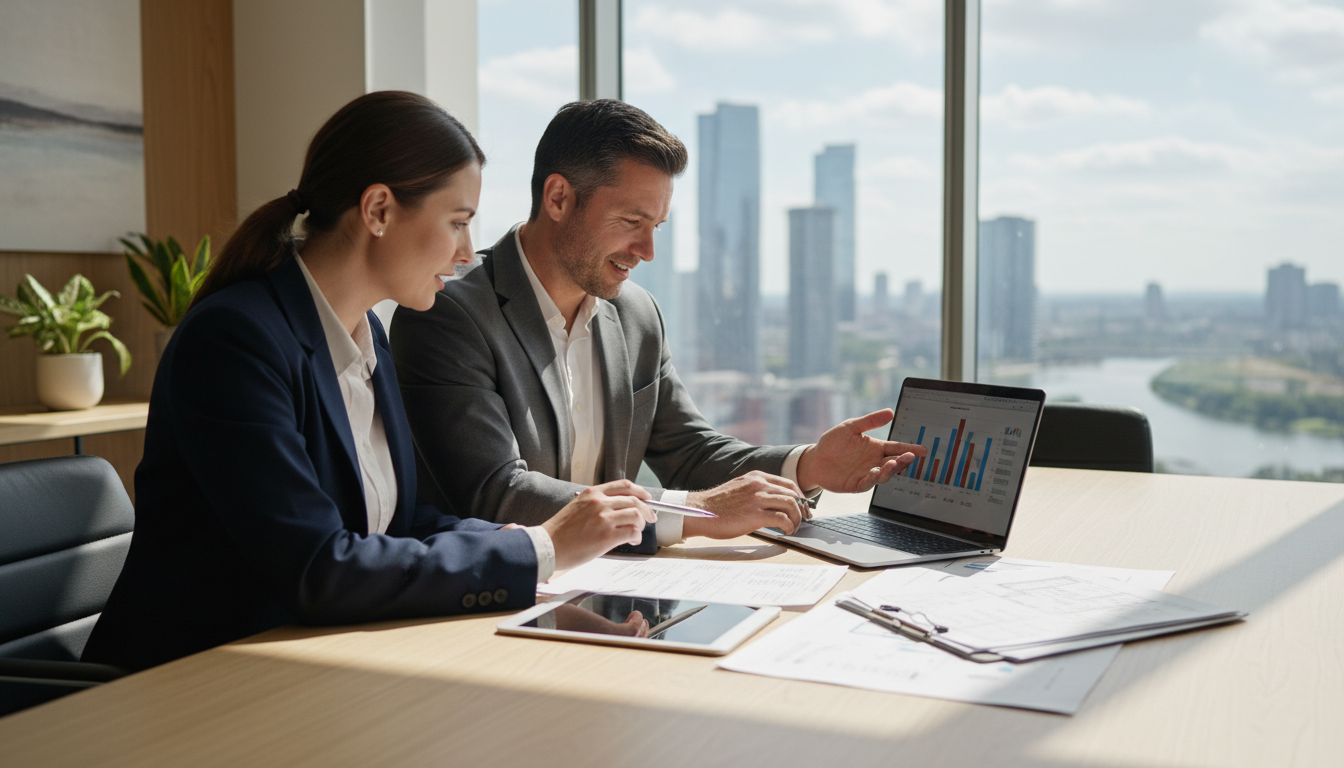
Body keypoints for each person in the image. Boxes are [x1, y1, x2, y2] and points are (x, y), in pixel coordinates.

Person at [82, 92, 653, 673]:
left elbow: (399, 521)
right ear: (378, 210)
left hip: (318, 661)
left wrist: (533, 554)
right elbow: (318, 566)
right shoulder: (235, 341)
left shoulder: (365, 336)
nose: (464, 253)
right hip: (192, 680)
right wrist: (540, 547)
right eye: (457, 223)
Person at [390, 99, 925, 550]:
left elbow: (689, 452)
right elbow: (496, 493)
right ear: (558, 198)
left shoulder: (636, 313)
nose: (647, 251)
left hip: (615, 599)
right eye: (631, 222)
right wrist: (691, 512)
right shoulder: (449, 315)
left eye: (657, 226)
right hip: (496, 605)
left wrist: (807, 465)